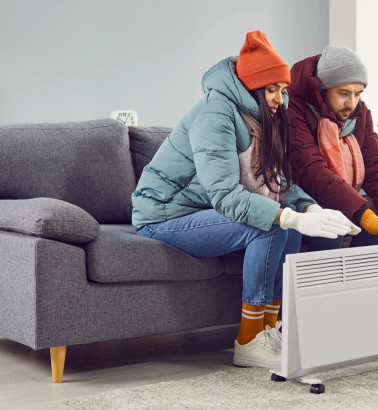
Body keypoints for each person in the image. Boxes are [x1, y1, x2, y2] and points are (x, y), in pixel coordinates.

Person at [132, 32, 359, 369]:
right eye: (272, 90)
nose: (279, 100)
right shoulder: (215, 113)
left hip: (202, 210)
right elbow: (225, 195)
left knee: (287, 224)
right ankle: (249, 340)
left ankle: (271, 330)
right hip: (164, 216)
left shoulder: (265, 117)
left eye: (282, 91)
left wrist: (311, 209)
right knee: (268, 227)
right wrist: (287, 216)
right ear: (251, 87)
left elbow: (280, 183)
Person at [286, 45, 378, 252]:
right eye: (343, 93)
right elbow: (310, 169)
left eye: (358, 93)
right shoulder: (293, 108)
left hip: (339, 189)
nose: (352, 103)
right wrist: (363, 215)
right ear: (322, 89)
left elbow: (375, 162)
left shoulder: (360, 112)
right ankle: (323, 282)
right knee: (333, 218)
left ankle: (364, 281)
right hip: (302, 193)